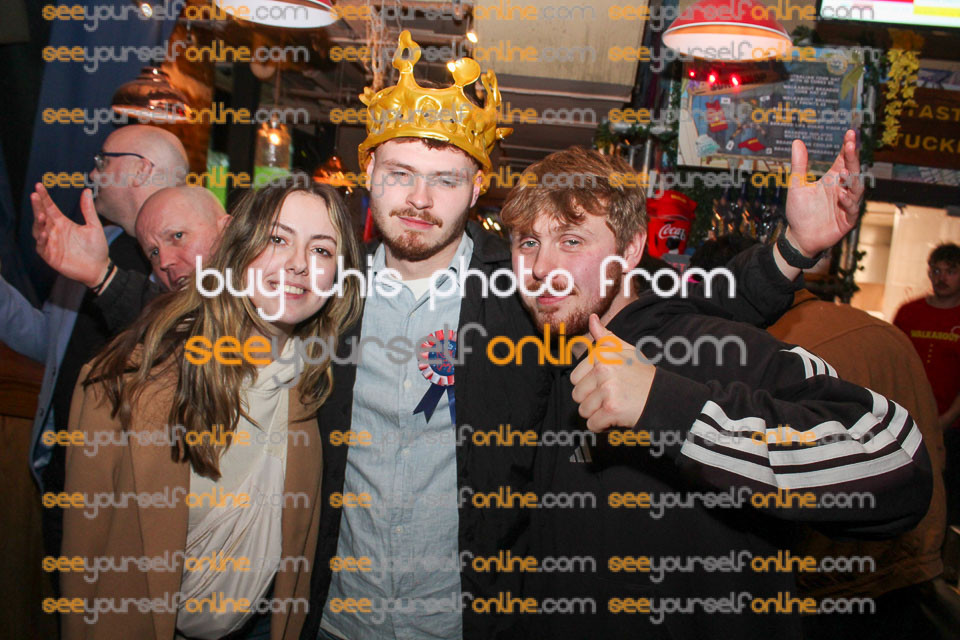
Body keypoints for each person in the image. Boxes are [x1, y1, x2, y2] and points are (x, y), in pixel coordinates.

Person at [302, 31, 869, 640]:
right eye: (399, 174)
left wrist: (790, 251)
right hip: (339, 618)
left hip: (467, 621)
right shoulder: (326, 292)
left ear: (476, 187)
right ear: (368, 172)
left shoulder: (524, 290)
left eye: (444, 179)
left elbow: (667, 307)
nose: (419, 199)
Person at [498, 146, 931, 639]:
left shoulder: (709, 349)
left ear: (631, 250)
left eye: (571, 240)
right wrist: (787, 253)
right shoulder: (541, 355)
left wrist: (667, 407)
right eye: (528, 242)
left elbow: (896, 460)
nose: (542, 267)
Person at [61, 179, 362, 640]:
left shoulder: (319, 391)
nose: (299, 264)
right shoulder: (126, 384)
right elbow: (83, 565)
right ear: (236, 250)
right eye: (277, 239)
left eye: (321, 250)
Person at [693, 237, 948, 638]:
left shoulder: (770, 356)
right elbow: (931, 443)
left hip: (827, 584)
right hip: (911, 568)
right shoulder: (885, 331)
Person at [0, 124, 188, 561]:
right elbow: (50, 343)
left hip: (137, 500)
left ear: (141, 170)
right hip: (64, 474)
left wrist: (103, 278)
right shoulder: (95, 243)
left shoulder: (193, 260)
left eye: (104, 161)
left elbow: (182, 346)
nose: (93, 173)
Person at [894, 243, 960, 527]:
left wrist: (947, 419)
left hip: (952, 428)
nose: (941, 278)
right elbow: (894, 365)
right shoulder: (909, 313)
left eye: (950, 271)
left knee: (947, 501)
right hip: (908, 422)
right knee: (904, 495)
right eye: (936, 271)